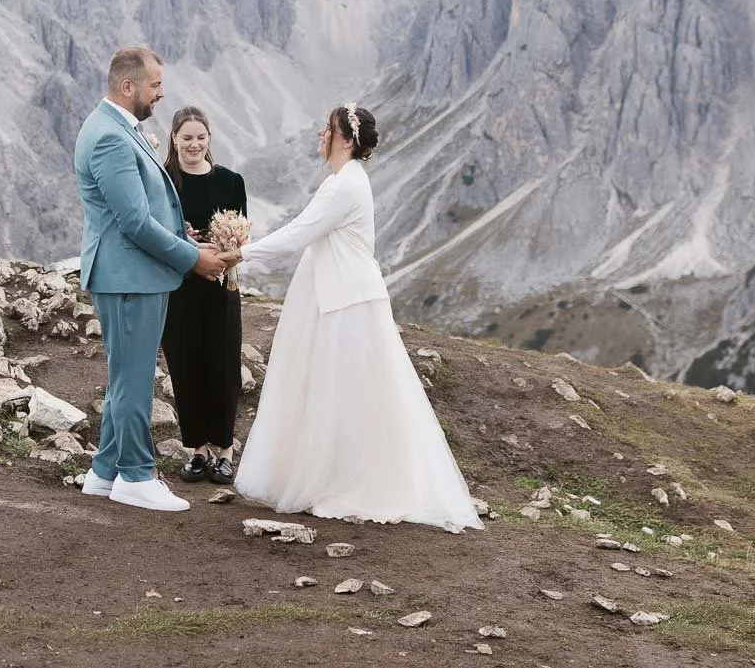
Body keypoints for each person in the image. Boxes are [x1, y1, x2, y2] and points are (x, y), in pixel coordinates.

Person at [232, 105, 480, 532]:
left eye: (327, 129)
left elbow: (299, 234)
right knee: (346, 389)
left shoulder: (342, 187)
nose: (320, 135)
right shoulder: (345, 181)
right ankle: (335, 471)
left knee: (340, 388)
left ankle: (344, 479)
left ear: (346, 139)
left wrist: (240, 252)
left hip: (343, 300)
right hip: (339, 292)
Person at [75, 47, 233, 512]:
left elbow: (146, 207)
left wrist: (179, 235)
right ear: (129, 87)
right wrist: (192, 260)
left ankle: (104, 473)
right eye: (155, 86)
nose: (161, 94)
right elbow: (132, 223)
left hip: (137, 273)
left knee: (128, 373)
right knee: (134, 378)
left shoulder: (122, 128)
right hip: (128, 277)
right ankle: (137, 476)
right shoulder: (108, 136)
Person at [159, 106, 248, 485]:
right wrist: (186, 243)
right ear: (174, 139)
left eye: (200, 137)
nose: (194, 144)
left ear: (209, 140)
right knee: (185, 364)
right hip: (179, 288)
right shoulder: (164, 181)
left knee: (223, 364)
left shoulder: (231, 181)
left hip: (221, 288)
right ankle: (196, 449)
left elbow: (243, 235)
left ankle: (225, 450)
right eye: (187, 137)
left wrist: (223, 250)